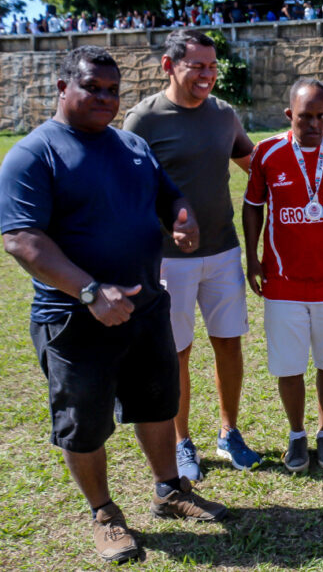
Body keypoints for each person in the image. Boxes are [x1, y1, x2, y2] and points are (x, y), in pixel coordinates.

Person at [0, 46, 226, 564]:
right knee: (83, 423)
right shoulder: (35, 154)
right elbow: (22, 240)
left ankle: (169, 490)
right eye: (92, 88)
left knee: (157, 402)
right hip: (74, 318)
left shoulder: (131, 145)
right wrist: (89, 291)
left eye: (112, 90)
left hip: (145, 307)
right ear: (63, 88)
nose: (105, 98)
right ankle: (103, 513)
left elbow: (170, 196)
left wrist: (184, 219)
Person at [123, 29, 258, 482]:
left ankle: (229, 432)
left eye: (212, 66)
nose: (207, 75)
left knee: (229, 343)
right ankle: (182, 442)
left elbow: (256, 164)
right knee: (176, 353)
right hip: (168, 260)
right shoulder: (144, 120)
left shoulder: (223, 114)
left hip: (223, 251)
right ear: (169, 65)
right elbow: (126, 190)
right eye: (197, 65)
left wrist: (312, 145)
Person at [242, 79, 323, 473]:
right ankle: (295, 434)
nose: (314, 124)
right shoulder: (267, 152)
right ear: (289, 114)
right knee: (289, 366)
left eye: (321, 116)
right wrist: (252, 257)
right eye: (305, 116)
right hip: (283, 282)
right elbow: (252, 205)